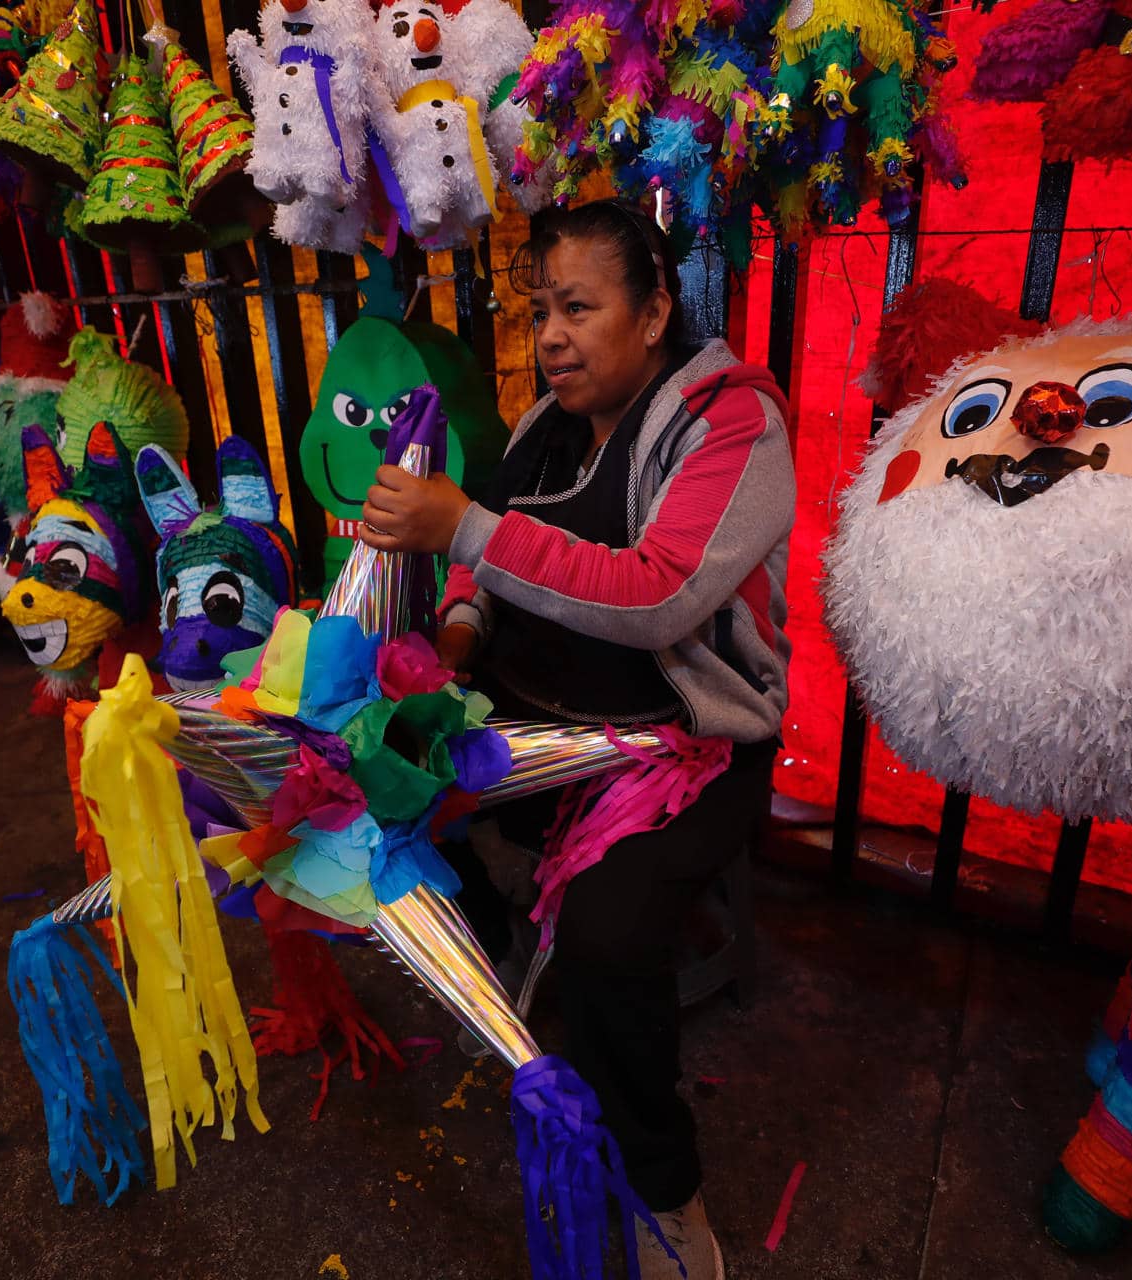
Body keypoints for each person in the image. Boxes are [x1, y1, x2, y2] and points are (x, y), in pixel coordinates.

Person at [360, 200, 794, 1280]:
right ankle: (510, 946)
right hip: (539, 726)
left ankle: (665, 1192)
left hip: (679, 751)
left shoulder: (730, 424)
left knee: (608, 941)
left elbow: (659, 596)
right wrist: (455, 633)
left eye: (580, 307)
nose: (550, 335)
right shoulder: (541, 426)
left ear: (652, 314)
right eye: (541, 308)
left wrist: (459, 523)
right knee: (375, 788)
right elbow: (483, 577)